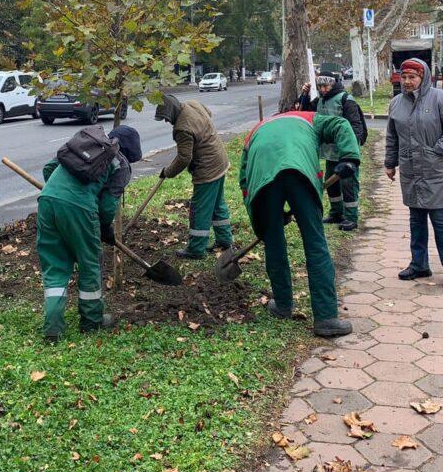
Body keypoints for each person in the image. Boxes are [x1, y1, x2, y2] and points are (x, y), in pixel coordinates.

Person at [239, 110, 360, 336]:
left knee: (273, 243)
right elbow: (342, 124)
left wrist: (265, 222)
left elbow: (245, 182)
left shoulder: (255, 130)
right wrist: (350, 157)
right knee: (315, 243)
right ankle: (326, 318)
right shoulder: (310, 118)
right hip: (300, 173)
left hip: (263, 177)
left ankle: (283, 306)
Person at [36, 124, 142, 342]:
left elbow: (49, 168)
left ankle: (53, 328)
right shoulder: (120, 164)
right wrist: (105, 229)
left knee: (55, 263)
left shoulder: (84, 144)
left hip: (47, 201)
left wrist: (59, 195)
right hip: (80, 209)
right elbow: (107, 205)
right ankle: (91, 321)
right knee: (90, 262)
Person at [385, 58, 443, 280]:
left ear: (423, 77)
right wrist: (390, 163)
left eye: (412, 77)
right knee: (416, 221)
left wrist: (435, 151)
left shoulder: (439, 98)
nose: (407, 81)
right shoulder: (397, 102)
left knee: (440, 222)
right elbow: (392, 136)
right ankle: (419, 265)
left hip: (436, 172)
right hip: (410, 172)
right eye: (404, 77)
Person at [155, 94, 233, 259]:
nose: (166, 122)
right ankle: (225, 241)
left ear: (172, 112)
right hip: (220, 159)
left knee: (199, 209)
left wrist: (168, 172)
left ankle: (196, 249)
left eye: (166, 118)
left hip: (207, 168)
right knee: (217, 204)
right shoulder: (193, 103)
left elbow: (184, 158)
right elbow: (208, 114)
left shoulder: (182, 128)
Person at [298, 75, 366, 231]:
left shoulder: (346, 100)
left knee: (348, 184)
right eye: (320, 86)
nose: (323, 89)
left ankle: (351, 217)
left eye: (326, 86)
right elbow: (305, 113)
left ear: (334, 84)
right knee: (331, 183)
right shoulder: (320, 100)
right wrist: (304, 95)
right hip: (330, 152)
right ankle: (336, 213)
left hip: (345, 152)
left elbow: (356, 125)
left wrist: (352, 151)